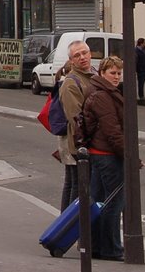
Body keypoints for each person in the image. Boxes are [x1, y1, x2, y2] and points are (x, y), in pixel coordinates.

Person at [81, 56, 127, 261]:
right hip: (107, 155)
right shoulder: (103, 95)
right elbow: (112, 131)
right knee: (113, 203)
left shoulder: (101, 91)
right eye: (112, 73)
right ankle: (111, 248)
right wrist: (130, 156)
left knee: (98, 201)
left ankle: (97, 246)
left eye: (119, 73)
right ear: (102, 73)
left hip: (98, 153)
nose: (116, 77)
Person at [57, 40, 95, 211]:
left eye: (84, 53)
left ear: (90, 54)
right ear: (71, 60)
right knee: (77, 187)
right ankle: (69, 227)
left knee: (75, 184)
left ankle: (69, 227)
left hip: (86, 142)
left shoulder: (94, 76)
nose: (82, 57)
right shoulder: (71, 83)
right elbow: (77, 118)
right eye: (77, 55)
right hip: (81, 144)